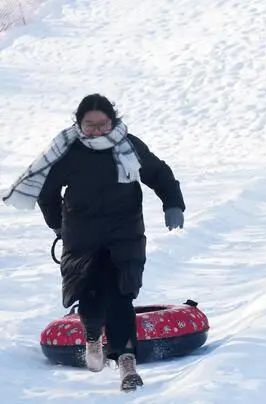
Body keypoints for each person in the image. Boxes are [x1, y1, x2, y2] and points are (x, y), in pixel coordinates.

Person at [2, 94, 185, 391]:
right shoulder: (68, 151)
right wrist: (58, 225)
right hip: (82, 238)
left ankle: (126, 361)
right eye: (90, 125)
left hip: (124, 234)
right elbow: (47, 192)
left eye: (103, 124)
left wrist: (173, 204)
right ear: (79, 124)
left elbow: (158, 173)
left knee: (121, 294)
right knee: (90, 294)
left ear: (113, 121)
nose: (97, 131)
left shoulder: (129, 146)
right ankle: (92, 336)